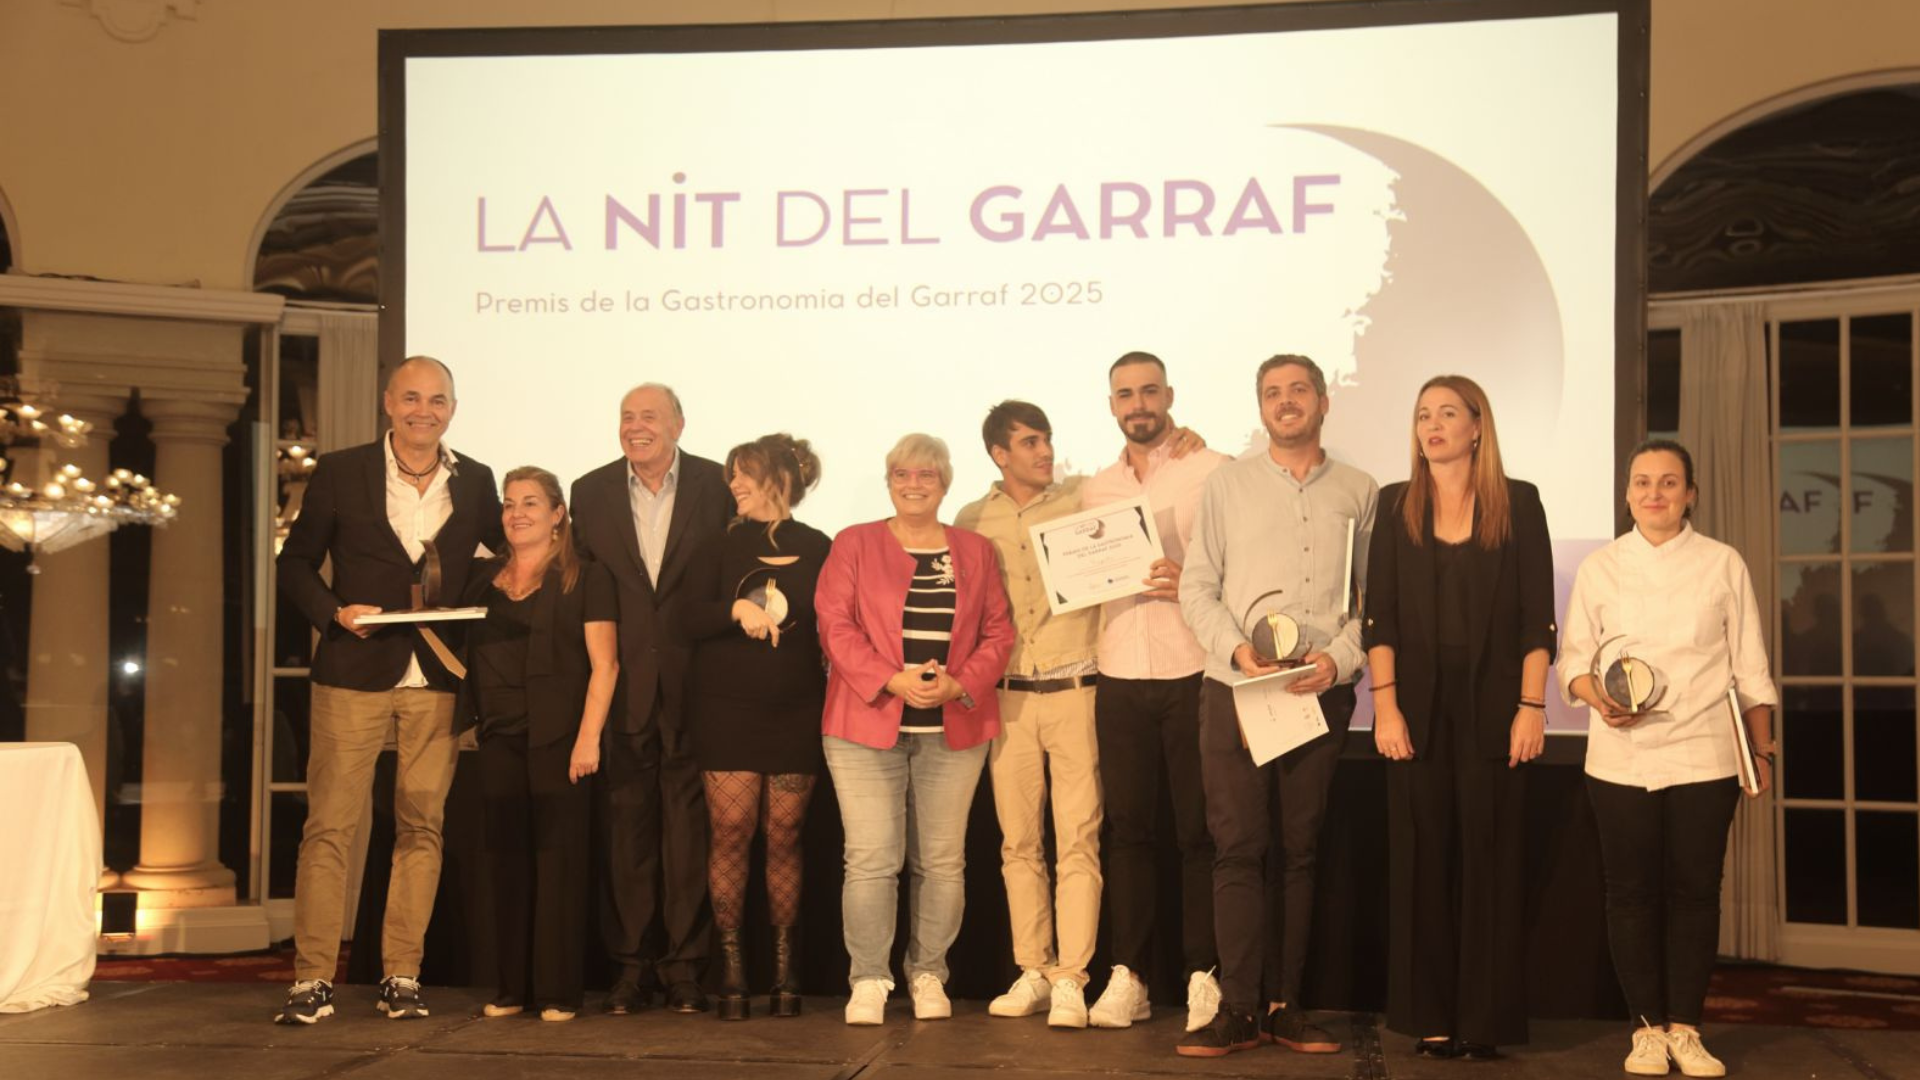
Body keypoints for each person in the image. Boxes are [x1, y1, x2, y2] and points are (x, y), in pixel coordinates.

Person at [274, 356, 504, 1024]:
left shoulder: (478, 480)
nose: (422, 411)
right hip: (353, 671)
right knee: (330, 829)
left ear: (452, 409)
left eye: (436, 400)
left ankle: (402, 973)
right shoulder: (343, 470)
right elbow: (296, 564)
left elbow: (504, 558)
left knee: (422, 827)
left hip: (435, 677)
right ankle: (311, 978)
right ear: (387, 403)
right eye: (411, 398)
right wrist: (332, 613)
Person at [1177, 354, 1376, 1058]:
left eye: (1298, 391)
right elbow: (1196, 588)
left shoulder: (1360, 490)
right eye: (1272, 393)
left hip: (1316, 692)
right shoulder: (1227, 485)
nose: (1285, 403)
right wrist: (1238, 653)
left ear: (1323, 402)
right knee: (1237, 850)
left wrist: (1337, 661)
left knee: (1299, 851)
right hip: (1237, 689)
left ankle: (1287, 1006)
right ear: (1260, 408)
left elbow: (1371, 604)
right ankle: (1236, 1009)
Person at [1559, 439, 1777, 1079]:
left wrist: (1761, 750)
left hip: (1706, 754)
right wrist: (1596, 695)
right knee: (1629, 895)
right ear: (1627, 494)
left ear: (1690, 494)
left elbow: (1752, 667)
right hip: (1620, 758)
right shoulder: (1601, 566)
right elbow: (1574, 661)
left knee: (1694, 895)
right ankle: (1647, 1031)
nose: (1654, 493)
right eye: (1642, 482)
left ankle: (1687, 1028)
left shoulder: (1721, 563)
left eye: (1668, 482)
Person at [1363, 374, 1555, 1060]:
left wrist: (1532, 707)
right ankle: (1430, 1016)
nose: (1433, 425)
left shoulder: (1519, 503)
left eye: (1448, 413)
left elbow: (1538, 620)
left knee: (1491, 862)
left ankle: (1485, 1019)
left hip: (1497, 710)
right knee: (1421, 861)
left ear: (1478, 426)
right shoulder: (1394, 505)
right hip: (1414, 710)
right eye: (1423, 415)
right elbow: (1376, 616)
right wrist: (1384, 706)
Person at [815, 433, 1014, 1026]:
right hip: (863, 725)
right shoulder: (855, 543)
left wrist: (960, 683)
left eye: (927, 475)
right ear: (889, 481)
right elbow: (833, 623)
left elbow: (998, 633)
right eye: (902, 474)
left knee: (943, 862)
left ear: (945, 483)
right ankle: (870, 979)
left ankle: (929, 973)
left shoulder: (975, 550)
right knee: (872, 860)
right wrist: (890, 679)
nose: (914, 484)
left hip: (953, 728)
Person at [569, 383, 732, 1014]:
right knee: (627, 836)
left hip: (699, 688)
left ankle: (687, 968)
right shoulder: (590, 492)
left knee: (691, 837)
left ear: (680, 425)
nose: (637, 427)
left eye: (651, 417)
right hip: (623, 685)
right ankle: (631, 967)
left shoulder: (718, 487)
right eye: (627, 416)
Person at [1079, 352, 1229, 1032]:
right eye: (1124, 395)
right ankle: (1130, 975)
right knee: (1128, 832)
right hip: (1118, 672)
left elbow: (1234, 561)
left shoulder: (1213, 469)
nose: (1137, 404)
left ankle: (1206, 973)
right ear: (1111, 406)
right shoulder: (1093, 489)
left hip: (1192, 666)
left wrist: (1191, 576)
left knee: (1200, 833)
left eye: (1148, 391)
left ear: (1169, 395)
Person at [954, 400, 1106, 1030]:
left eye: (1047, 439)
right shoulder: (970, 519)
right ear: (1000, 454)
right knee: (1019, 842)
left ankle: (1073, 977)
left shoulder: (1086, 497)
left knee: (1078, 837)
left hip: (1077, 687)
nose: (1045, 451)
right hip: (1007, 695)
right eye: (1030, 441)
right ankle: (1033, 971)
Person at [459, 467, 618, 1023]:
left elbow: (606, 666)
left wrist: (588, 739)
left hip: (560, 741)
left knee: (559, 867)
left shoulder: (585, 577)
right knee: (506, 866)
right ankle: (510, 990)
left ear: (557, 516)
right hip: (499, 738)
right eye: (509, 503)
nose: (516, 512)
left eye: (531, 502)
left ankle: (557, 993)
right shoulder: (482, 580)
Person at [681, 434, 831, 1020]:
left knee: (787, 837)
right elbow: (685, 618)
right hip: (726, 711)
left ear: (777, 478)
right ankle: (734, 971)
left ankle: (786, 972)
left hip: (796, 710)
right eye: (731, 477)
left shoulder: (821, 546)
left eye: (743, 475)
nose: (734, 486)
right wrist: (732, 609)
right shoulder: (716, 548)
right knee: (732, 832)